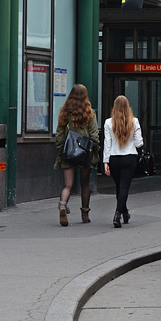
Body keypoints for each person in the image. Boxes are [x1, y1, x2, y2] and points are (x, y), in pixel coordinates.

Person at [54, 84, 99, 226]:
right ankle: (85, 215)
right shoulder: (89, 113)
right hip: (84, 153)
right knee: (85, 184)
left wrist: (61, 150)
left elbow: (60, 135)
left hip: (68, 152)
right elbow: (94, 135)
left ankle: (62, 204)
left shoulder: (65, 113)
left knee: (68, 185)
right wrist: (95, 148)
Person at [102, 95, 144, 228]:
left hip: (114, 159)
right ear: (128, 107)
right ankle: (118, 213)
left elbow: (107, 144)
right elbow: (139, 143)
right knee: (124, 187)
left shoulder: (108, 123)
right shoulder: (134, 121)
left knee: (119, 187)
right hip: (130, 158)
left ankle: (124, 213)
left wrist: (105, 162)